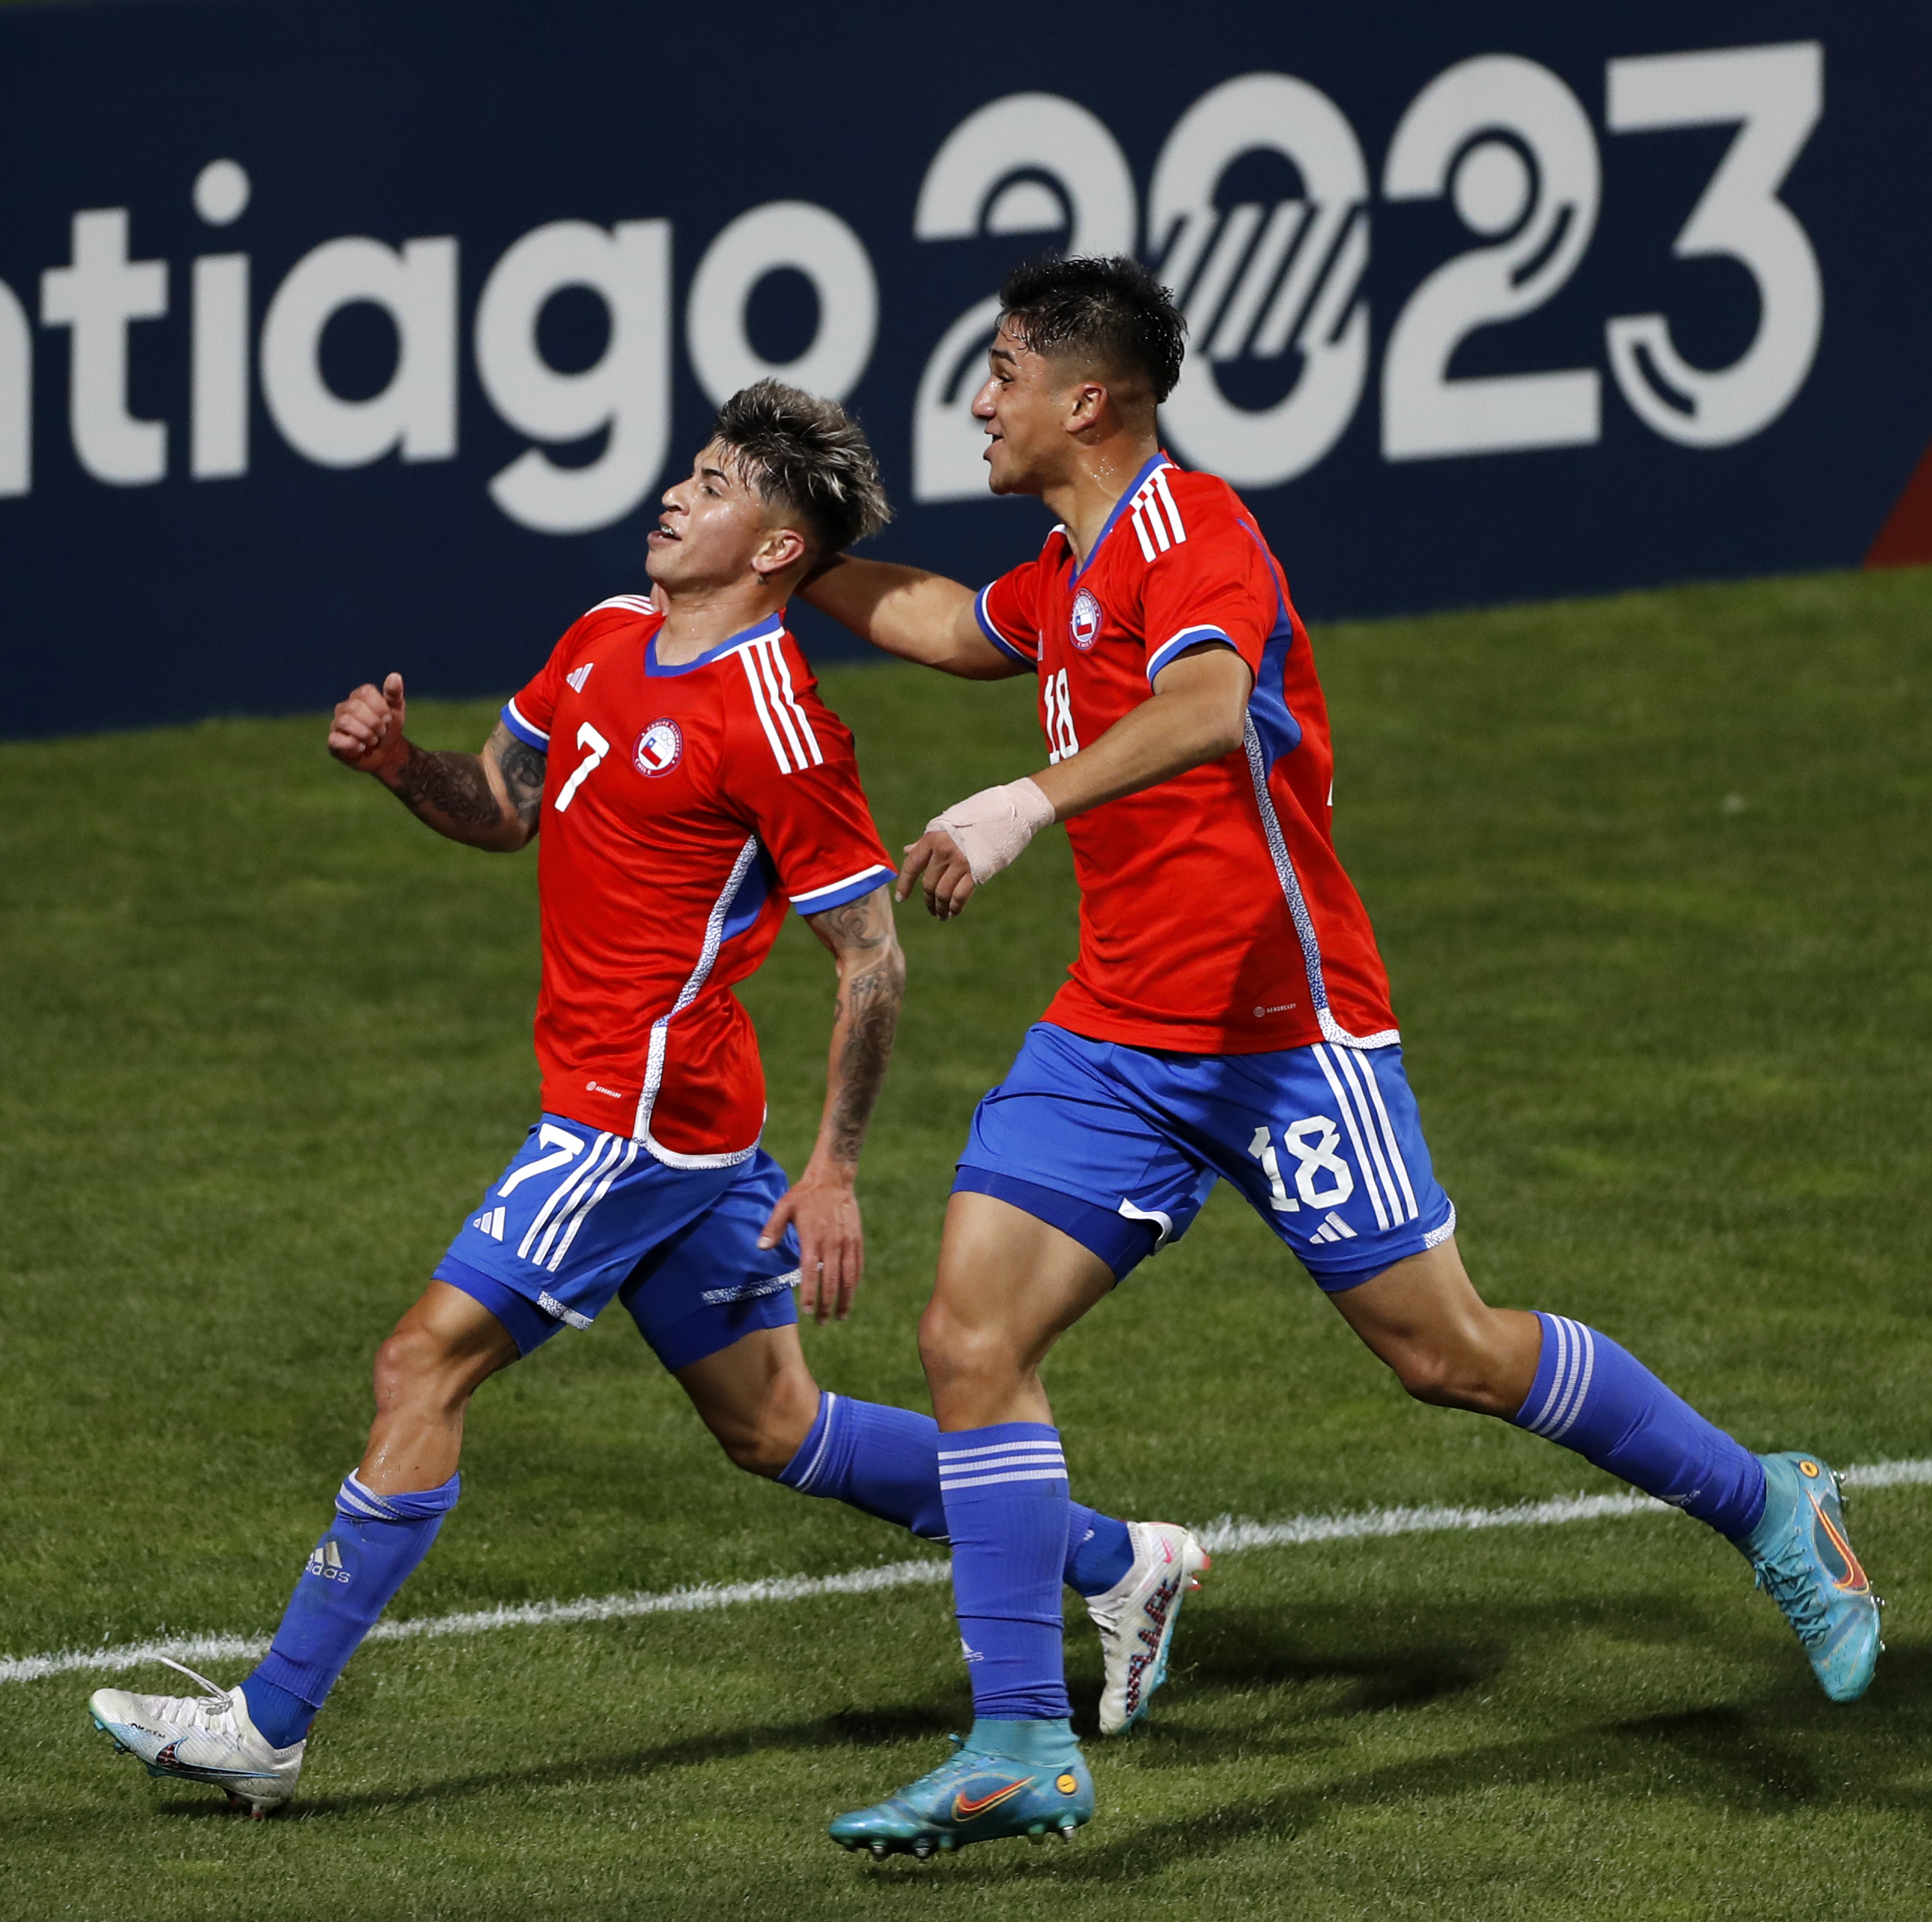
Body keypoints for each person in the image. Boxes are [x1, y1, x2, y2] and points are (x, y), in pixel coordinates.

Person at [792, 255, 1884, 1860]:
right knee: (966, 1338)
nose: (978, 397)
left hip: (1282, 1031)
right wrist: (801, 566)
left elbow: (1212, 709)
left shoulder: (1192, 533)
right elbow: (958, 624)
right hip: (1114, 1033)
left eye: (1003, 369)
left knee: (1442, 1352)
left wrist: (1023, 803)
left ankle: (1766, 1502)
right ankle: (1017, 1738)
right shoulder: (1068, 562)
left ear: (1084, 398)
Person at [87, 381, 1205, 1816]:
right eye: (692, 468)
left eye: (720, 482)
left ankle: (269, 1724)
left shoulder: (779, 724)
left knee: (417, 1368)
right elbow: (504, 804)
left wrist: (841, 1170)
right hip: (681, 1123)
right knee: (778, 1432)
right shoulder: (605, 637)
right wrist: (395, 767)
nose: (679, 495)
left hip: (634, 1123)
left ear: (777, 550)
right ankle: (1122, 1562)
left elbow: (870, 958)